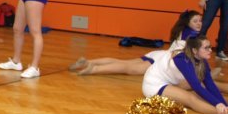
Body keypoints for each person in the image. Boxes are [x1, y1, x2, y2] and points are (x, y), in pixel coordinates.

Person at [141, 36, 228, 114]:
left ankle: (227, 110)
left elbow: (210, 85)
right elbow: (196, 86)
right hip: (154, 84)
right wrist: (218, 105)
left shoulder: (202, 61)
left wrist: (224, 104)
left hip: (171, 83)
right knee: (190, 98)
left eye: (210, 47)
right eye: (206, 48)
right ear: (195, 50)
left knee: (202, 96)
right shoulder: (181, 60)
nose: (210, 50)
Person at [70, 10, 202, 76]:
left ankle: (88, 62)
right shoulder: (193, 35)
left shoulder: (182, 31)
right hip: (162, 61)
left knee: (124, 63)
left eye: (200, 21)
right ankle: (94, 69)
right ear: (187, 23)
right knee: (128, 68)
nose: (199, 24)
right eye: (195, 21)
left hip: (158, 55)